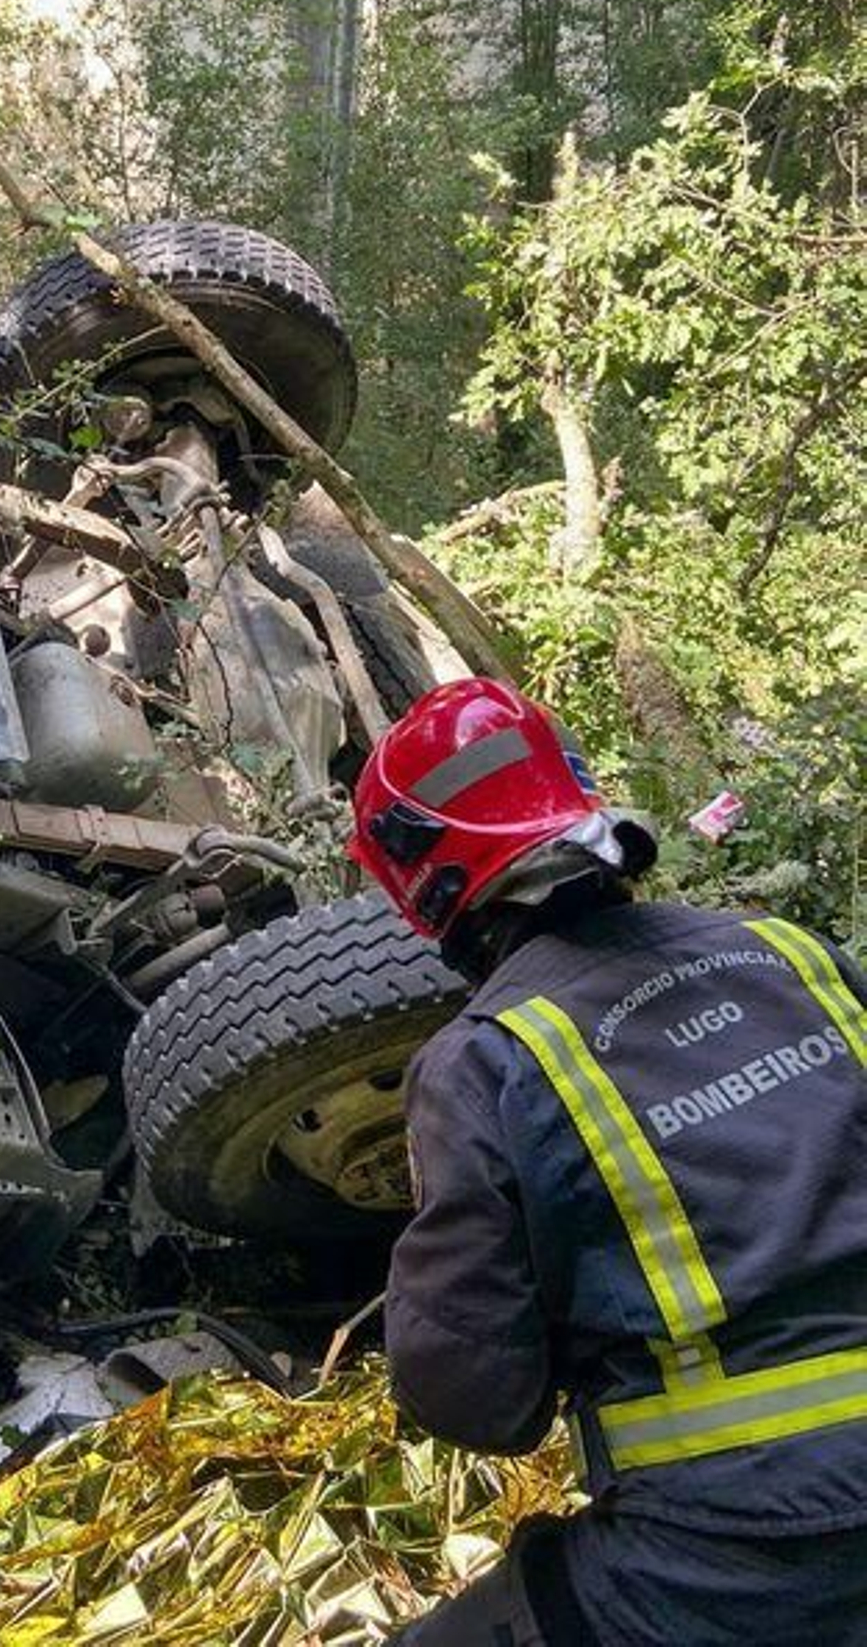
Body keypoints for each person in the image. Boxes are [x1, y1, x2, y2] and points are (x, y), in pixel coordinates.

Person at [350, 676, 867, 1647]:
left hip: (747, 1548)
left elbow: (476, 1402)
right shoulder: (795, 954)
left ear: (421, 882)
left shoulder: (483, 1060)